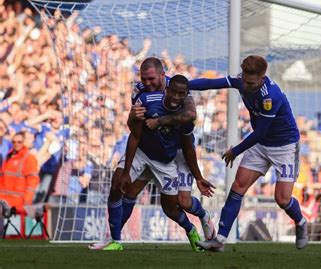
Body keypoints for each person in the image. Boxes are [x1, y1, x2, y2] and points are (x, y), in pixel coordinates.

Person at [90, 58, 214, 251]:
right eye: (144, 78)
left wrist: (198, 177)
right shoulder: (142, 95)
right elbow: (135, 129)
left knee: (178, 205)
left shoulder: (180, 94)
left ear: (163, 76)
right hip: (145, 151)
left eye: (151, 79)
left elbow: (189, 132)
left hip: (174, 155)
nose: (147, 83)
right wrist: (133, 118)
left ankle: (198, 221)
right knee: (122, 188)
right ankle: (113, 239)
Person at [189, 55, 308, 252]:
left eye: (251, 82)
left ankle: (301, 222)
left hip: (284, 146)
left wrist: (235, 151)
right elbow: (211, 82)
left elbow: (260, 132)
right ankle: (219, 240)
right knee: (237, 186)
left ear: (262, 77)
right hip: (260, 145)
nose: (246, 84)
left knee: (282, 199)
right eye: (244, 79)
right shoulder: (241, 81)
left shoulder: (271, 96)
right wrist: (184, 84)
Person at [0, 132, 39, 214]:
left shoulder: (29, 158)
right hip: (4, 204)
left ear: (24, 142)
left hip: (18, 206)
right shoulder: (9, 157)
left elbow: (32, 182)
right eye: (13, 142)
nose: (16, 144)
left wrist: (27, 202)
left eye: (19, 142)